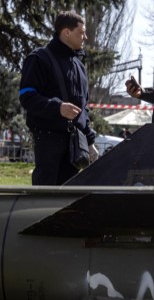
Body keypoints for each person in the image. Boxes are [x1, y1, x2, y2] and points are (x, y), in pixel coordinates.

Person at [19, 11, 99, 185]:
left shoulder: (79, 65)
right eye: (81, 32)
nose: (85, 36)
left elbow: (83, 109)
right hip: (48, 138)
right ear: (66, 33)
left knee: (69, 195)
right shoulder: (39, 59)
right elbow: (27, 97)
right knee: (44, 194)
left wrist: (90, 141)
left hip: (74, 143)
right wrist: (58, 108)